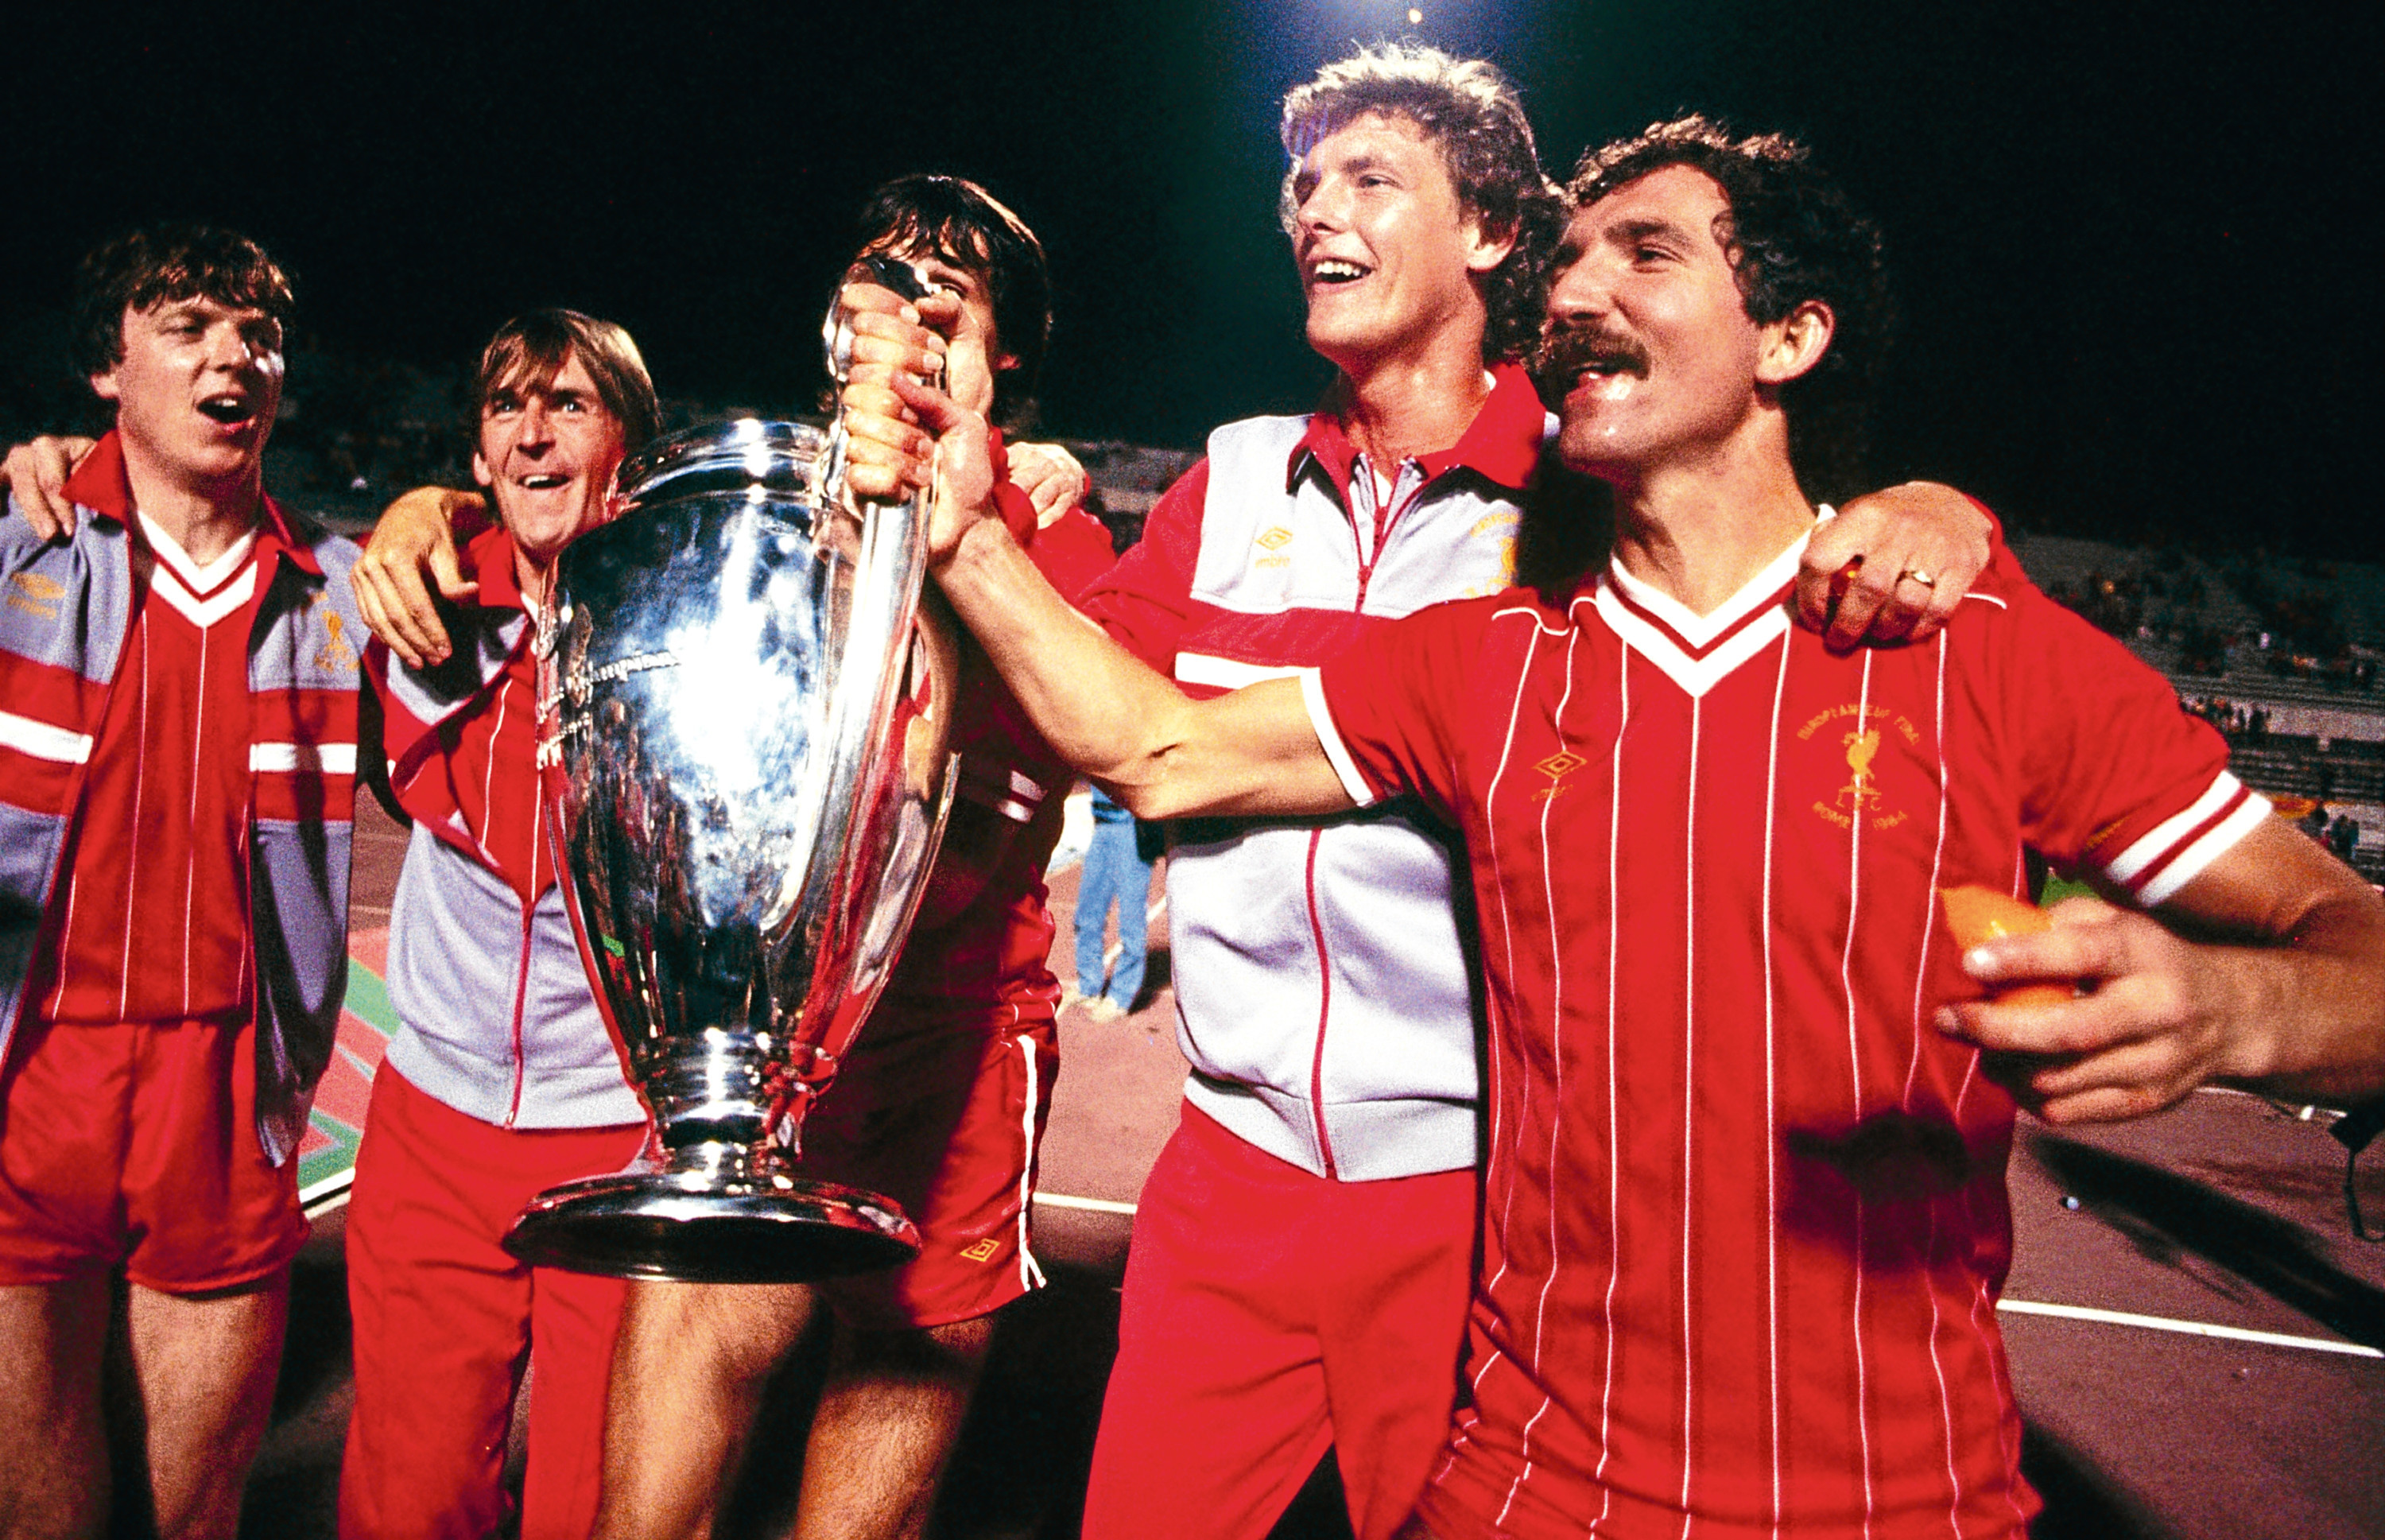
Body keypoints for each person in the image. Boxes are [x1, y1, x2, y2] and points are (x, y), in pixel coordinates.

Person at [838, 114, 2385, 1539]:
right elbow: (1157, 746)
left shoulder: (1975, 644)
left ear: (1791, 334)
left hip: (1900, 1503)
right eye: (1566, 259)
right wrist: (966, 526)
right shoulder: (1489, 662)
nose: (1577, 288)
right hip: (1520, 1487)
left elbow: (2355, 953)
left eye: (1644, 251)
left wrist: (2234, 1000)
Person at [347, 175, 1116, 1540]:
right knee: (636, 1511)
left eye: (945, 297)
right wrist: (428, 505)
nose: (903, 310)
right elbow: (567, 538)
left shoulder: (1064, 541)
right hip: (756, 1054)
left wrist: (981, 510)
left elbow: (1060, 747)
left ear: (1006, 356)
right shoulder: (763, 525)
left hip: (949, 1046)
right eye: (878, 286)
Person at [0, 225, 363, 1540]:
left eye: (258, 333)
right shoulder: (14, 548)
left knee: (192, 1515)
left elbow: (536, 587)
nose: (235, 356)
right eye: (190, 325)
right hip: (26, 1081)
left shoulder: (340, 594)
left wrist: (439, 505)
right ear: (106, 368)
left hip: (224, 1093)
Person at [339, 309, 661, 1539]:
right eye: (506, 409)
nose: (533, 435)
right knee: (408, 1500)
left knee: (600, 1501)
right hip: (435, 1126)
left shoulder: (692, 622)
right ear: (473, 454)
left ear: (627, 439)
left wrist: (1037, 465)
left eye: (570, 405)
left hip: (621, 1133)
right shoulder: (405, 599)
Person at [1072, 782, 1156, 1019]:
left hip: (1131, 828)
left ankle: (1120, 996)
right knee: (1087, 915)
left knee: (1131, 921)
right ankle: (1089, 986)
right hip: (1102, 824)